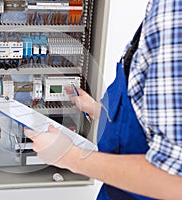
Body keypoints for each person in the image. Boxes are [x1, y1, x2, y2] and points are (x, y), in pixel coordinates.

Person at [24, 0, 182, 199]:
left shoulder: (173, 10)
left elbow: (175, 181)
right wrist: (99, 111)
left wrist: (70, 157)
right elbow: (156, 113)